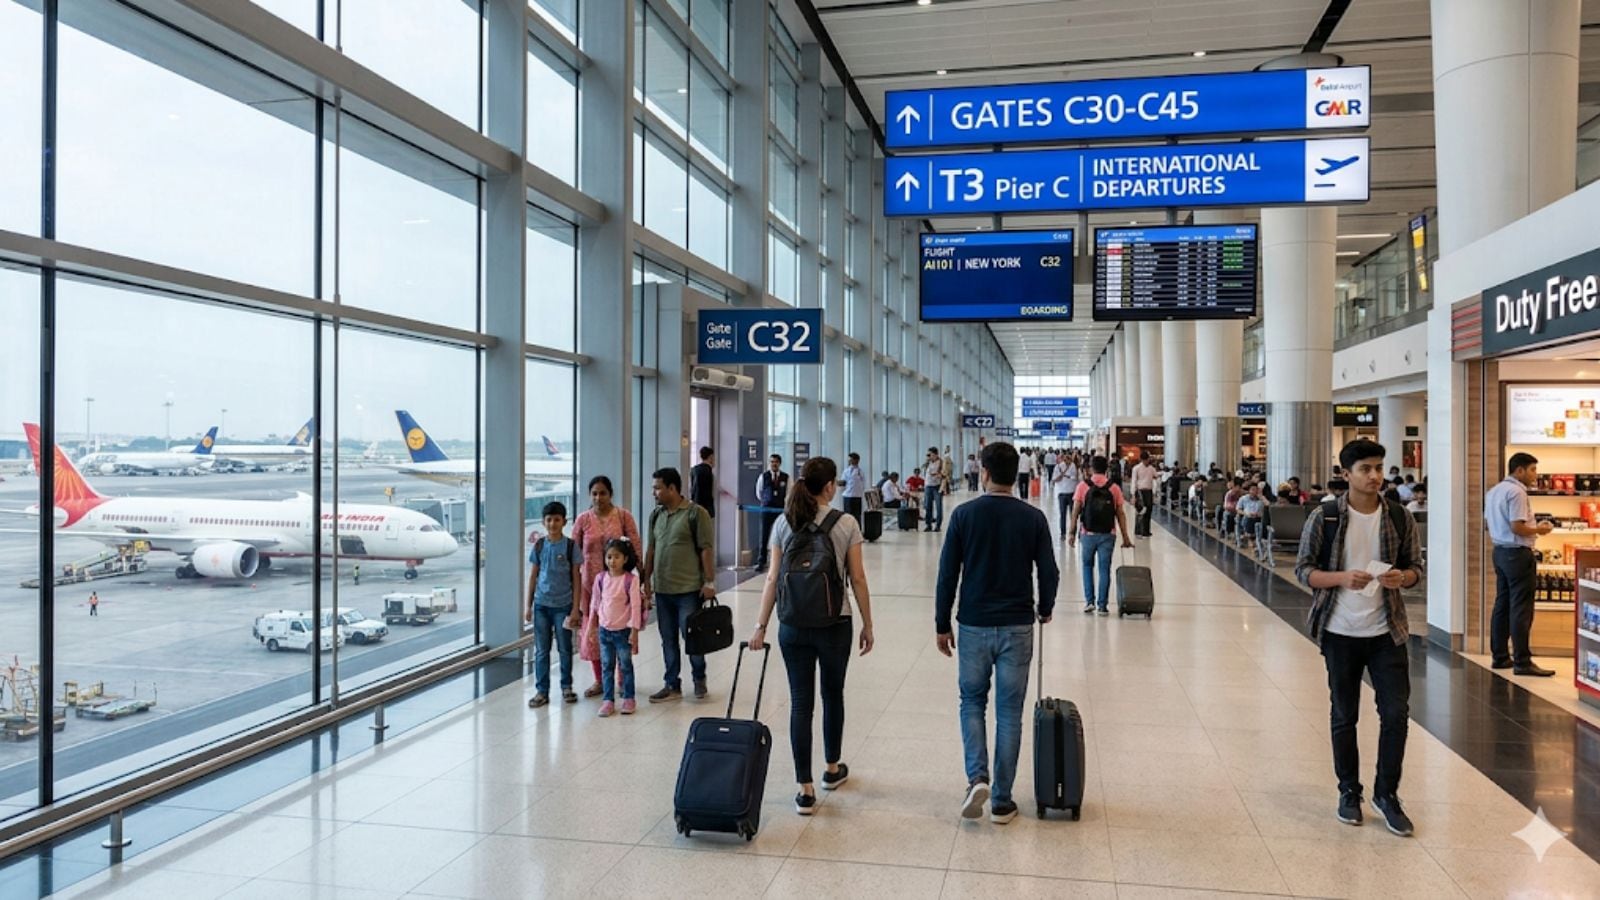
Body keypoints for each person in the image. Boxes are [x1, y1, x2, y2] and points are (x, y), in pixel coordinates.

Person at [1295, 439, 1424, 837]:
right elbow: (1304, 571)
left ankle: (1387, 794)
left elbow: (1416, 568)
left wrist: (1404, 578)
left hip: (1388, 631)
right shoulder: (1326, 517)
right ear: (1346, 473)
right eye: (1365, 469)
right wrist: (1341, 578)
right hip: (1340, 631)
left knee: (1396, 715)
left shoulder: (1400, 517)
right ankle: (1349, 792)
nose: (1374, 476)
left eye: (1379, 468)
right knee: (1344, 715)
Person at [935, 442, 1059, 824]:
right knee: (1009, 712)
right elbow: (1049, 571)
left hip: (973, 623)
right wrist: (1045, 608)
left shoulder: (963, 515)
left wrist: (942, 623)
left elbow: (947, 575)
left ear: (984, 473)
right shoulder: (1032, 517)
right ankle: (1002, 801)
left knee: (972, 702)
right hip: (1018, 625)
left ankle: (977, 777)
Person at [748, 457, 875, 816]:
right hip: (835, 622)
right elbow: (858, 579)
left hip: (792, 625)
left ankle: (804, 789)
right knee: (833, 694)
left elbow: (772, 579)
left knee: (801, 703)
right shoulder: (845, 522)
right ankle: (832, 770)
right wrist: (868, 623)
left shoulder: (782, 523)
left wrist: (760, 626)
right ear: (831, 486)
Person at [641, 467, 717, 702]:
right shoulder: (656, 515)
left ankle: (698, 678)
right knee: (668, 639)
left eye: (657, 488)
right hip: (663, 590)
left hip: (688, 590)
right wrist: (646, 581)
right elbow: (651, 549)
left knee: (691, 637)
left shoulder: (696, 513)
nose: (654, 492)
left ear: (672, 488)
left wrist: (709, 581)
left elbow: (705, 549)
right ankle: (671, 684)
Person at [570, 475, 643, 698]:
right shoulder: (583, 520)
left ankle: (622, 679)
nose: (598, 497)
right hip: (590, 585)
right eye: (594, 493)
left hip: (620, 586)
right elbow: (573, 553)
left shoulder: (623, 516)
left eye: (602, 493)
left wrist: (645, 579)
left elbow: (636, 548)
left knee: (619, 631)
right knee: (593, 632)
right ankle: (600, 680)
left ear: (611, 494)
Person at [1485, 452, 1556, 677]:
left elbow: (1488, 525)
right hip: (1517, 553)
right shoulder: (1517, 492)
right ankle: (1522, 661)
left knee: (1502, 605)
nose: (1535, 475)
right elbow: (1518, 527)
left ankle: (1499, 656)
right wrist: (1540, 530)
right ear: (1519, 470)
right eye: (1533, 470)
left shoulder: (1494, 491)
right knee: (1521, 608)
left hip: (1500, 552)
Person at [525, 501, 582, 708]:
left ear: (564, 522)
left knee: (565, 648)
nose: (552, 523)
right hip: (541, 605)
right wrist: (528, 605)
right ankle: (542, 691)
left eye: (557, 519)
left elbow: (577, 578)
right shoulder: (539, 545)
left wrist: (576, 608)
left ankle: (566, 687)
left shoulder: (570, 546)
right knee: (542, 650)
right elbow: (533, 576)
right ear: (543, 522)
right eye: (549, 520)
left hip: (563, 606)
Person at [1069, 456, 1134, 615]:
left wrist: (1071, 532)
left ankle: (1089, 601)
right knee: (1104, 569)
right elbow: (1120, 513)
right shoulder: (1114, 488)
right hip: (1108, 534)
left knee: (1087, 566)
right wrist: (1125, 537)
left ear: (1091, 468)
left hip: (1087, 534)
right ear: (1107, 469)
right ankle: (1102, 605)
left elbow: (1076, 510)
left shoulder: (1083, 486)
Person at [589, 538, 645, 717]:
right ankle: (608, 700)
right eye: (609, 557)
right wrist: (592, 626)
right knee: (607, 665)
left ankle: (629, 697)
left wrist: (634, 631)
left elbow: (636, 606)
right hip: (605, 631)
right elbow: (595, 603)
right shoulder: (600, 578)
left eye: (617, 557)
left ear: (625, 559)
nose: (612, 561)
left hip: (624, 631)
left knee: (625, 665)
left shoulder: (631, 580)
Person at [755, 455, 790, 570]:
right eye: (771, 462)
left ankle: (782, 561)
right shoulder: (763, 476)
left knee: (782, 535)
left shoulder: (786, 477)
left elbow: (789, 492)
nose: (773, 464)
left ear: (779, 463)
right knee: (764, 535)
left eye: (776, 462)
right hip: (766, 509)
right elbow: (759, 493)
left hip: (780, 510)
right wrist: (766, 501)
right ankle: (762, 560)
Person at [1130, 452, 1158, 537]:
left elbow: (1155, 476)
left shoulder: (1151, 468)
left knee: (1149, 510)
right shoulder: (1136, 468)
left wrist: (1154, 492)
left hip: (1149, 491)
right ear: (1142, 460)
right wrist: (1133, 494)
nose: (1147, 461)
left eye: (1148, 459)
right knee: (1140, 511)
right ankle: (1138, 531)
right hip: (1140, 491)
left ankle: (1146, 530)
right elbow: (1134, 481)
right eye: (1145, 460)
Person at [1052, 452, 1079, 539]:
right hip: (1064, 493)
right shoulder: (1059, 467)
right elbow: (1055, 479)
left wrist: (1066, 476)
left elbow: (1075, 477)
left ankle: (1071, 533)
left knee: (1071, 514)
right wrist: (1062, 476)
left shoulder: (1072, 466)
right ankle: (1064, 533)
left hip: (1069, 493)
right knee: (1065, 514)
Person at [840, 452, 866, 523]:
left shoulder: (860, 472)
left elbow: (843, 482)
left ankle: (857, 530)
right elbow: (843, 482)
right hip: (848, 495)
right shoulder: (847, 470)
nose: (849, 461)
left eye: (851, 459)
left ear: (856, 460)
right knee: (848, 515)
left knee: (856, 515)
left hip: (856, 496)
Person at [689, 446, 716, 517]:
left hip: (695, 506)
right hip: (704, 508)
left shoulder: (694, 470)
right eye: (713, 457)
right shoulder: (707, 471)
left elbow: (693, 489)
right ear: (710, 457)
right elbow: (705, 492)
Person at [924, 447, 945, 532]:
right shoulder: (927, 463)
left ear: (935, 454)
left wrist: (938, 474)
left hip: (937, 486)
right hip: (928, 486)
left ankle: (938, 525)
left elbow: (945, 475)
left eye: (930, 454)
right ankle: (928, 524)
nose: (929, 456)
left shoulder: (941, 463)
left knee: (938, 506)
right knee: (928, 506)